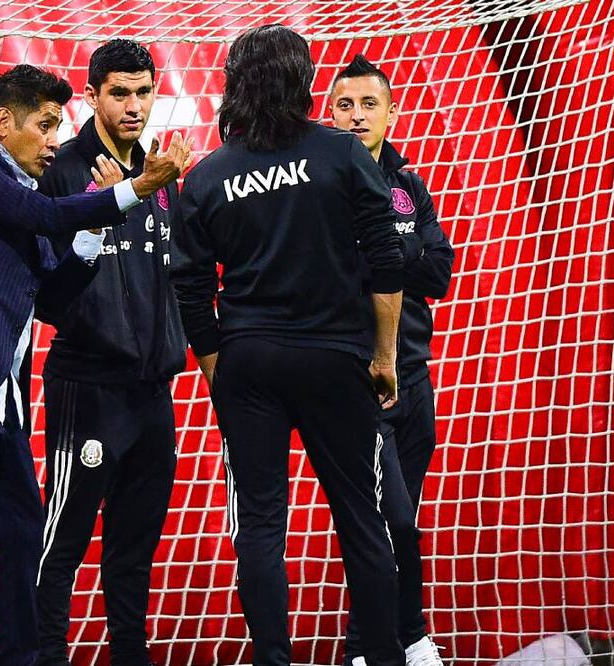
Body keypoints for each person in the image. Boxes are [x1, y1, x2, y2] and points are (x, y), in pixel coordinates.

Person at [170, 24, 414, 666]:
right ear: (305, 83)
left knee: (259, 522)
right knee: (362, 518)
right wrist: (385, 356)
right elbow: (387, 260)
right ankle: (385, 657)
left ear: (236, 83)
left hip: (249, 360)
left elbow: (190, 285)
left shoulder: (208, 177)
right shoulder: (340, 154)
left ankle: (273, 660)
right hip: (335, 357)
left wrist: (221, 365)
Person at [0, 64, 190, 665]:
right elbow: (45, 219)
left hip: (5, 391)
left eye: (58, 126)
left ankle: (19, 656)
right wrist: (126, 194)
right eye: (45, 125)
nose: (55, 139)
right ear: (4, 122)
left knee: (20, 529)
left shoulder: (30, 193)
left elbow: (53, 300)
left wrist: (92, 232)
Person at [34, 40, 185, 666]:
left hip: (151, 392)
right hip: (86, 387)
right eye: (118, 93)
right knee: (62, 540)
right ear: (91, 96)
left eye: (143, 92)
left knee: (134, 546)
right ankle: (44, 655)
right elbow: (47, 291)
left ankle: (130, 654)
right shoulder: (62, 172)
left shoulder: (163, 173)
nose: (133, 105)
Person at [330, 54, 455, 666]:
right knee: (388, 522)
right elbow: (326, 277)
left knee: (397, 522)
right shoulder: (322, 187)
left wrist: (379, 256)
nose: (357, 117)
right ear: (329, 113)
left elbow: (440, 270)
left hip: (414, 374)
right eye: (346, 106)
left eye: (368, 105)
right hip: (358, 378)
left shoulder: (408, 185)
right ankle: (389, 640)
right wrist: (388, 259)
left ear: (390, 112)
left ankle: (397, 640)